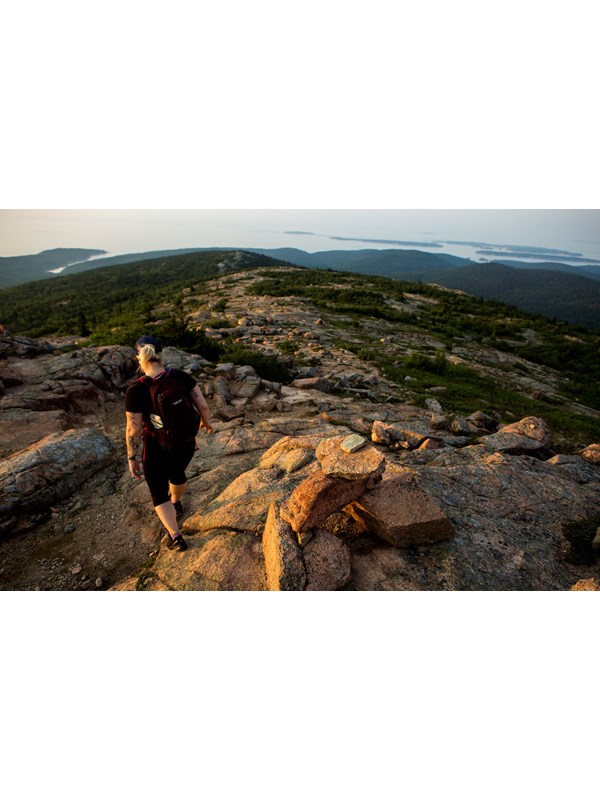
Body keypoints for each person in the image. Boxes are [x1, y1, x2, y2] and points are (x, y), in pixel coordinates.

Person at [124, 335, 213, 552]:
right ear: (161, 355)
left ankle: (175, 536)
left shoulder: (136, 389)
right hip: (185, 441)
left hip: (156, 446)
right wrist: (205, 423)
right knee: (178, 473)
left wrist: (132, 456)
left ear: (139, 358)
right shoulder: (180, 377)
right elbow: (202, 405)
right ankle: (176, 502)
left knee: (157, 489)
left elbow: (133, 429)